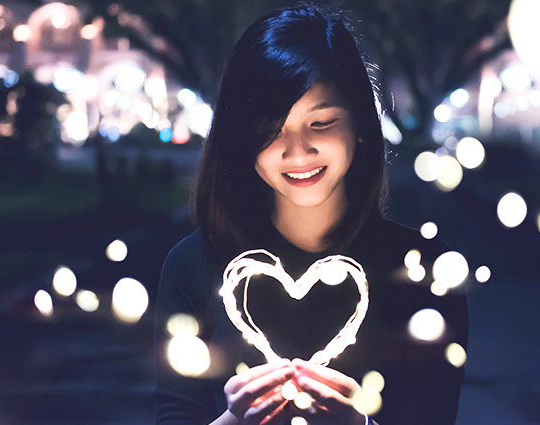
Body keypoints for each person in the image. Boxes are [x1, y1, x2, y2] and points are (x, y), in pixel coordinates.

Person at [154, 4, 468, 425]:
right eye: (271, 129)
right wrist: (236, 421)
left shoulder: (425, 273)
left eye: (320, 122)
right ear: (240, 136)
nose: (297, 151)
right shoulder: (194, 266)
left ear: (359, 124)